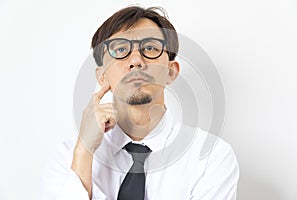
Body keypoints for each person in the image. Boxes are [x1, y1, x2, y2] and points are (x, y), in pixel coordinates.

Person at [40, 5, 239, 200]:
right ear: (102, 76)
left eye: (150, 48)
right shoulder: (68, 157)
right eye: (120, 49)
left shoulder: (210, 157)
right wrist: (84, 152)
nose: (136, 60)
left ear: (171, 71)